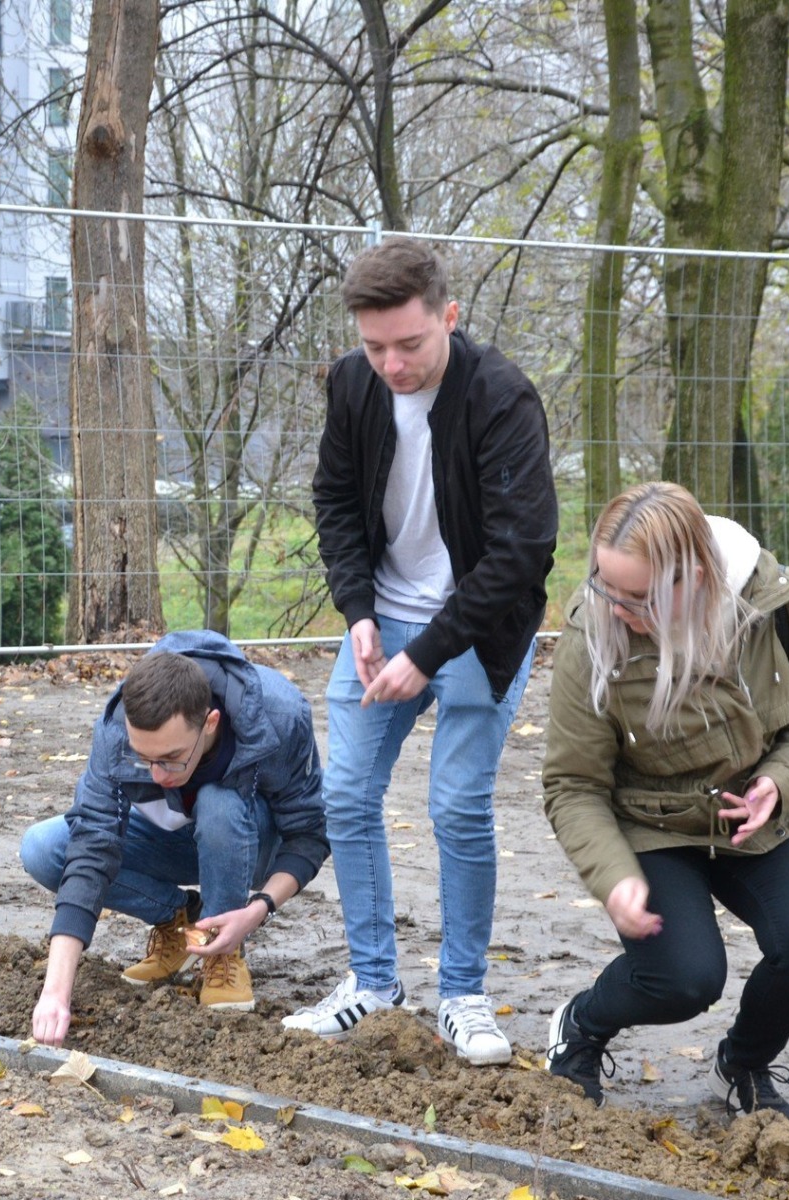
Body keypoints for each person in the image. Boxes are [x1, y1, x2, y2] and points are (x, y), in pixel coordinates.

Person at [288, 238, 558, 1065]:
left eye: (410, 344)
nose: (393, 365)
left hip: (479, 632)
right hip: (383, 629)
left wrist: (431, 652)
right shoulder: (353, 385)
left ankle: (465, 996)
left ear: (448, 315)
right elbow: (333, 499)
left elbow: (523, 551)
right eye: (375, 348)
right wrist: (359, 612)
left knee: (455, 808)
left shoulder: (502, 398)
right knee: (345, 795)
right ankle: (373, 982)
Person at [540, 481, 789, 1122]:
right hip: (652, 820)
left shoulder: (780, 599)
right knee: (683, 979)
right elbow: (572, 785)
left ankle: (744, 1059)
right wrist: (614, 878)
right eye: (605, 584)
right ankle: (580, 1023)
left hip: (761, 808)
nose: (614, 605)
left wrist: (783, 779)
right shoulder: (591, 632)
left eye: (638, 596)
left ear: (695, 577)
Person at [21, 631, 330, 1044]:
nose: (157, 776)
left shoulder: (278, 715)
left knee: (218, 801)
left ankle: (220, 951)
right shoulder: (117, 730)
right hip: (176, 841)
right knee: (44, 848)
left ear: (210, 724)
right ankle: (178, 919)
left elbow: (310, 833)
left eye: (170, 759)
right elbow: (92, 846)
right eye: (143, 758)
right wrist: (55, 995)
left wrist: (258, 909)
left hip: (253, 846)